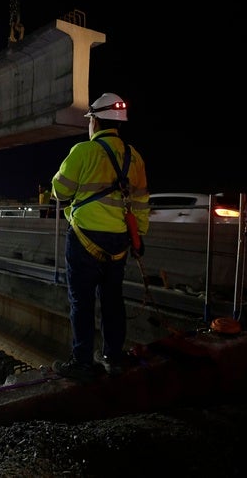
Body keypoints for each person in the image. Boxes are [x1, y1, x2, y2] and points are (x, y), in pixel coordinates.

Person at [50, 92, 149, 380]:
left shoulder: (83, 151)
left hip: (84, 239)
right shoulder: (135, 157)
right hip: (119, 242)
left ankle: (82, 362)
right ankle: (114, 357)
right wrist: (138, 238)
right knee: (112, 299)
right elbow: (141, 204)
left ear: (95, 120)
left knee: (81, 301)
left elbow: (60, 192)